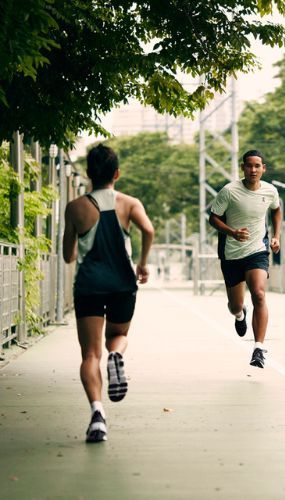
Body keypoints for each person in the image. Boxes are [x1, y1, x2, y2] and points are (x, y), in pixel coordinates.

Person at [63, 144, 154, 443]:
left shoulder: (75, 207)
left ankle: (97, 416)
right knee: (117, 336)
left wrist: (80, 241)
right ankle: (117, 355)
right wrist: (142, 264)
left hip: (89, 285)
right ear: (117, 173)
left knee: (90, 354)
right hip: (122, 284)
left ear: (89, 174)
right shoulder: (129, 203)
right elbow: (149, 230)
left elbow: (68, 256)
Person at [209, 150, 281, 368]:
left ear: (263, 168)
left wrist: (276, 236)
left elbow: (276, 210)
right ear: (243, 168)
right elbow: (213, 218)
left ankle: (258, 348)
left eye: (257, 166)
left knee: (259, 294)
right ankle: (240, 315)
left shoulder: (270, 191)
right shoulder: (229, 192)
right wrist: (232, 232)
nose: (253, 170)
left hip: (257, 251)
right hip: (231, 254)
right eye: (249, 166)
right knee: (235, 304)